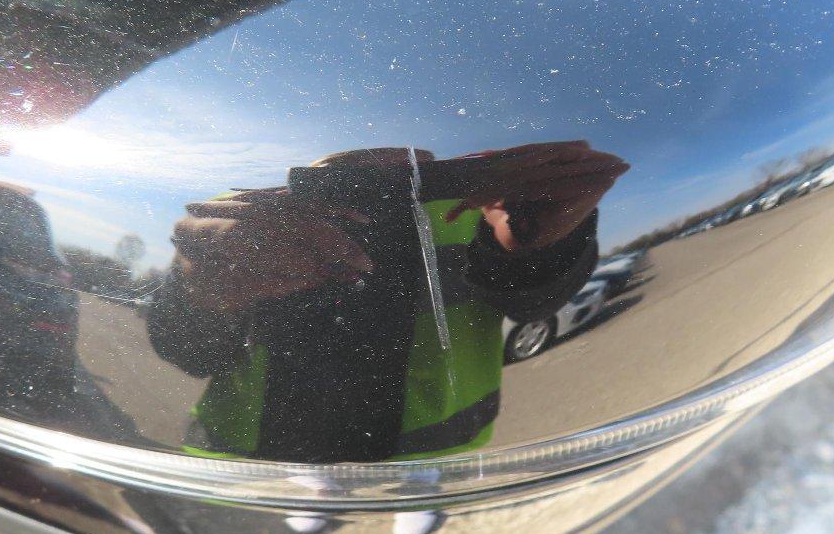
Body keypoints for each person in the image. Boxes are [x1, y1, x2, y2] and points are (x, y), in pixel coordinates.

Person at [148, 141, 627, 466]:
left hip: (431, 460)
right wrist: (203, 292)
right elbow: (187, 352)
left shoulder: (494, 205)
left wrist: (540, 244)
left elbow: (536, 308)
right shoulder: (241, 214)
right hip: (254, 469)